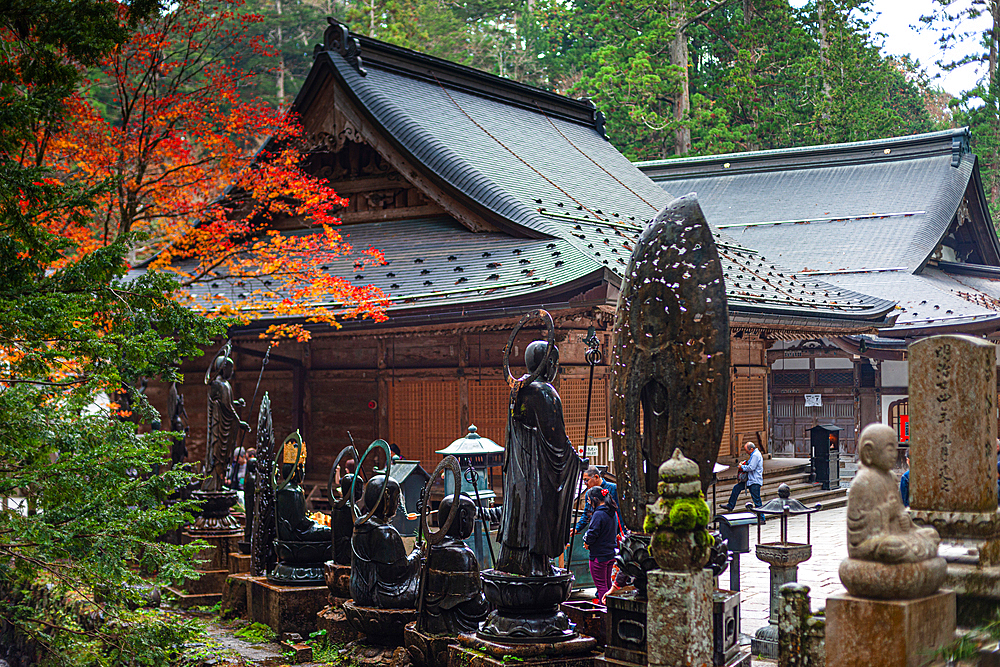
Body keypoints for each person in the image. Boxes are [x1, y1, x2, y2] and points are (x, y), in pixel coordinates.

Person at [583, 486, 618, 604]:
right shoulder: (612, 512)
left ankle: (605, 612)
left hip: (599, 555)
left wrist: (587, 542)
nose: (589, 503)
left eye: (588, 500)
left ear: (594, 499)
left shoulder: (599, 514)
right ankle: (610, 610)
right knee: (608, 584)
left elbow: (592, 533)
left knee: (602, 586)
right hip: (610, 554)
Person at [572, 466, 619, 536]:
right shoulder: (588, 494)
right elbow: (587, 514)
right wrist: (576, 528)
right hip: (598, 533)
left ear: (596, 477)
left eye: (586, 480)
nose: (585, 483)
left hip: (612, 533)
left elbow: (620, 513)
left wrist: (621, 533)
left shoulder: (613, 489)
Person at [722, 442, 763, 512]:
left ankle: (761, 518)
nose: (746, 452)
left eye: (747, 451)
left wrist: (742, 466)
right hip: (750, 480)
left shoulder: (755, 455)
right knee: (736, 488)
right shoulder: (754, 454)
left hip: (754, 481)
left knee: (757, 501)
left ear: (752, 449)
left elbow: (751, 467)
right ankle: (730, 505)